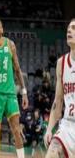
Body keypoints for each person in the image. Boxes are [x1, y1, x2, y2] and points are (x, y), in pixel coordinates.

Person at [0, 19, 28, 158]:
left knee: (16, 130)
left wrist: (24, 92)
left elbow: (17, 69)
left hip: (10, 94)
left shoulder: (10, 44)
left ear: (2, 30)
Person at [43, 18, 75, 157]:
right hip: (67, 126)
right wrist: (49, 129)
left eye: (74, 28)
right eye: (68, 28)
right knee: (52, 152)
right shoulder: (61, 63)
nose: (69, 30)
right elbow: (58, 101)